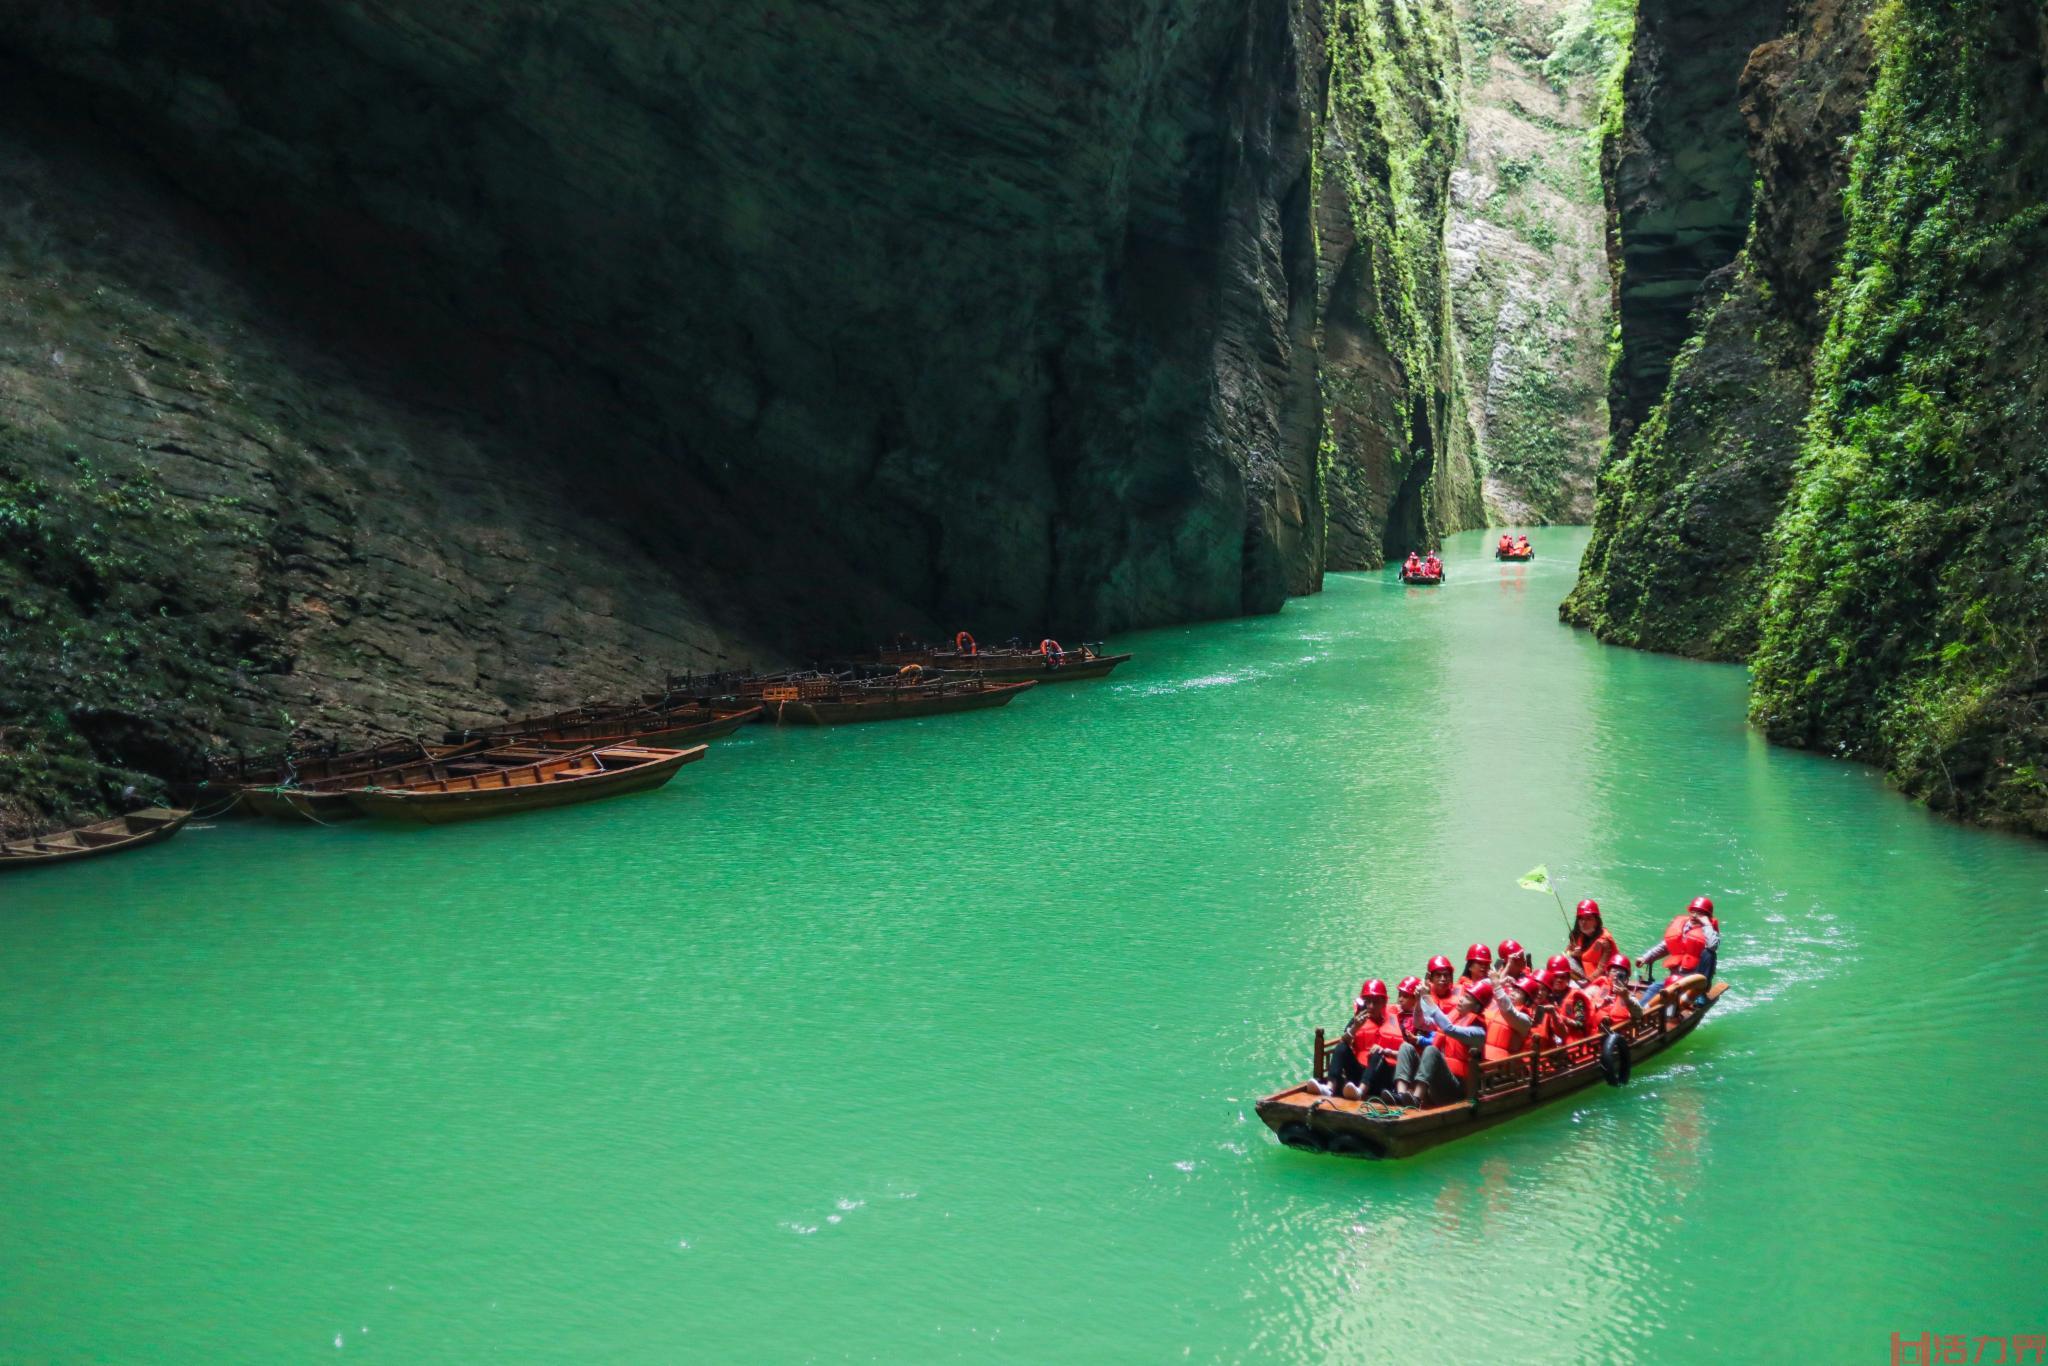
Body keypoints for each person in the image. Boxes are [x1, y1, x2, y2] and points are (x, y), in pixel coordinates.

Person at [1390, 979, 1491, 1107]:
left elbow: (1449, 1029)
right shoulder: (1454, 1017)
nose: (1460, 999)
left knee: (1431, 1050)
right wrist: (1419, 1002)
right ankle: (1401, 1095)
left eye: (1467, 998)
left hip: (1455, 1089)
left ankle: (1416, 1099)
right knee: (1406, 1047)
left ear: (1477, 1006)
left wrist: (1428, 998)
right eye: (1463, 995)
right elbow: (1420, 1023)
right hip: (1436, 1081)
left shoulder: (1478, 1031)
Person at [1326, 979, 1406, 1099]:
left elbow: (1407, 1053)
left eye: (1375, 1002)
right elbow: (1344, 1043)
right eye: (1367, 1002)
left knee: (1377, 1054)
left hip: (1382, 1078)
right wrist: (1355, 1028)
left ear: (1384, 1002)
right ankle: (1329, 1088)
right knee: (1341, 1047)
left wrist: (1385, 1051)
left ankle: (1360, 1092)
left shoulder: (1397, 1021)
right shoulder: (1357, 1020)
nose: (1371, 1006)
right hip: (1359, 1073)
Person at [1638, 896, 1720, 1009]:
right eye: (1693, 912)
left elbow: (1713, 946)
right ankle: (1640, 1011)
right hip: (1675, 978)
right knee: (1654, 988)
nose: (1695, 916)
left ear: (1707, 916)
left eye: (1700, 913)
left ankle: (1699, 993)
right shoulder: (1683, 927)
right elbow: (1665, 945)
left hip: (1692, 982)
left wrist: (1707, 924)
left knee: (1710, 954)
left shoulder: (1709, 932)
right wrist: (1645, 957)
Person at [1483, 974, 1541, 1061]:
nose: (1513, 994)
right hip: (1484, 1055)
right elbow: (1481, 987)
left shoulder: (1525, 1019)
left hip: (1505, 1065)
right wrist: (1500, 983)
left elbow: (1509, 1011)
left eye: (1519, 992)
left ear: (1527, 1001)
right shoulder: (1497, 1006)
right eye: (1514, 990)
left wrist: (1497, 985)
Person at [1587, 954, 1644, 1032]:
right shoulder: (1597, 988)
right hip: (1594, 1030)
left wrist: (1626, 999)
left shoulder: (1628, 996)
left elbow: (1639, 1014)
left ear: (1626, 979)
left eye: (1621, 975)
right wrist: (1599, 1005)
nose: (1616, 976)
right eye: (1613, 972)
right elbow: (1584, 1003)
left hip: (1616, 1035)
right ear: (1607, 973)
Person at [1567, 899, 1618, 981]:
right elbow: (1567, 954)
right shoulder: (1576, 935)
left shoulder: (1604, 942)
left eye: (1588, 919)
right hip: (1583, 974)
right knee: (1564, 962)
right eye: (1581, 919)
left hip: (1599, 980)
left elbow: (1601, 970)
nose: (1583, 922)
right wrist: (1574, 954)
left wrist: (1586, 982)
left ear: (1596, 921)